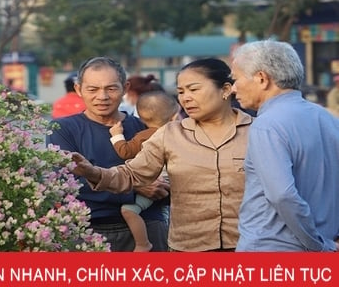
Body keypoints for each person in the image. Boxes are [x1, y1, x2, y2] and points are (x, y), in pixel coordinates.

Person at [68, 58, 253, 251]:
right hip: (189, 248)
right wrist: (94, 173)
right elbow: (131, 174)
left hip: (248, 245)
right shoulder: (170, 134)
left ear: (225, 89)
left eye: (194, 89)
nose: (185, 98)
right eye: (181, 92)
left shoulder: (258, 131)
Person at [46, 56, 171, 252]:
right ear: (79, 89)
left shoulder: (145, 128)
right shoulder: (63, 129)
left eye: (111, 88)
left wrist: (162, 187)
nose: (102, 96)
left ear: (125, 88)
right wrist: (135, 188)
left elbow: (173, 178)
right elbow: (66, 184)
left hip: (148, 228)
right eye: (93, 89)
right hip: (89, 229)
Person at [230, 40, 339, 252]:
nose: (233, 88)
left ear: (262, 79)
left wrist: (318, 245)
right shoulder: (328, 119)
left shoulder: (267, 125)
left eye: (236, 79)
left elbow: (282, 195)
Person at [109, 91, 180, 252]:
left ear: (140, 119)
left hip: (153, 182)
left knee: (128, 210)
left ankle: (142, 243)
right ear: (174, 117)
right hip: (174, 182)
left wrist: (116, 135)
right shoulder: (179, 134)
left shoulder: (144, 135)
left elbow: (125, 151)